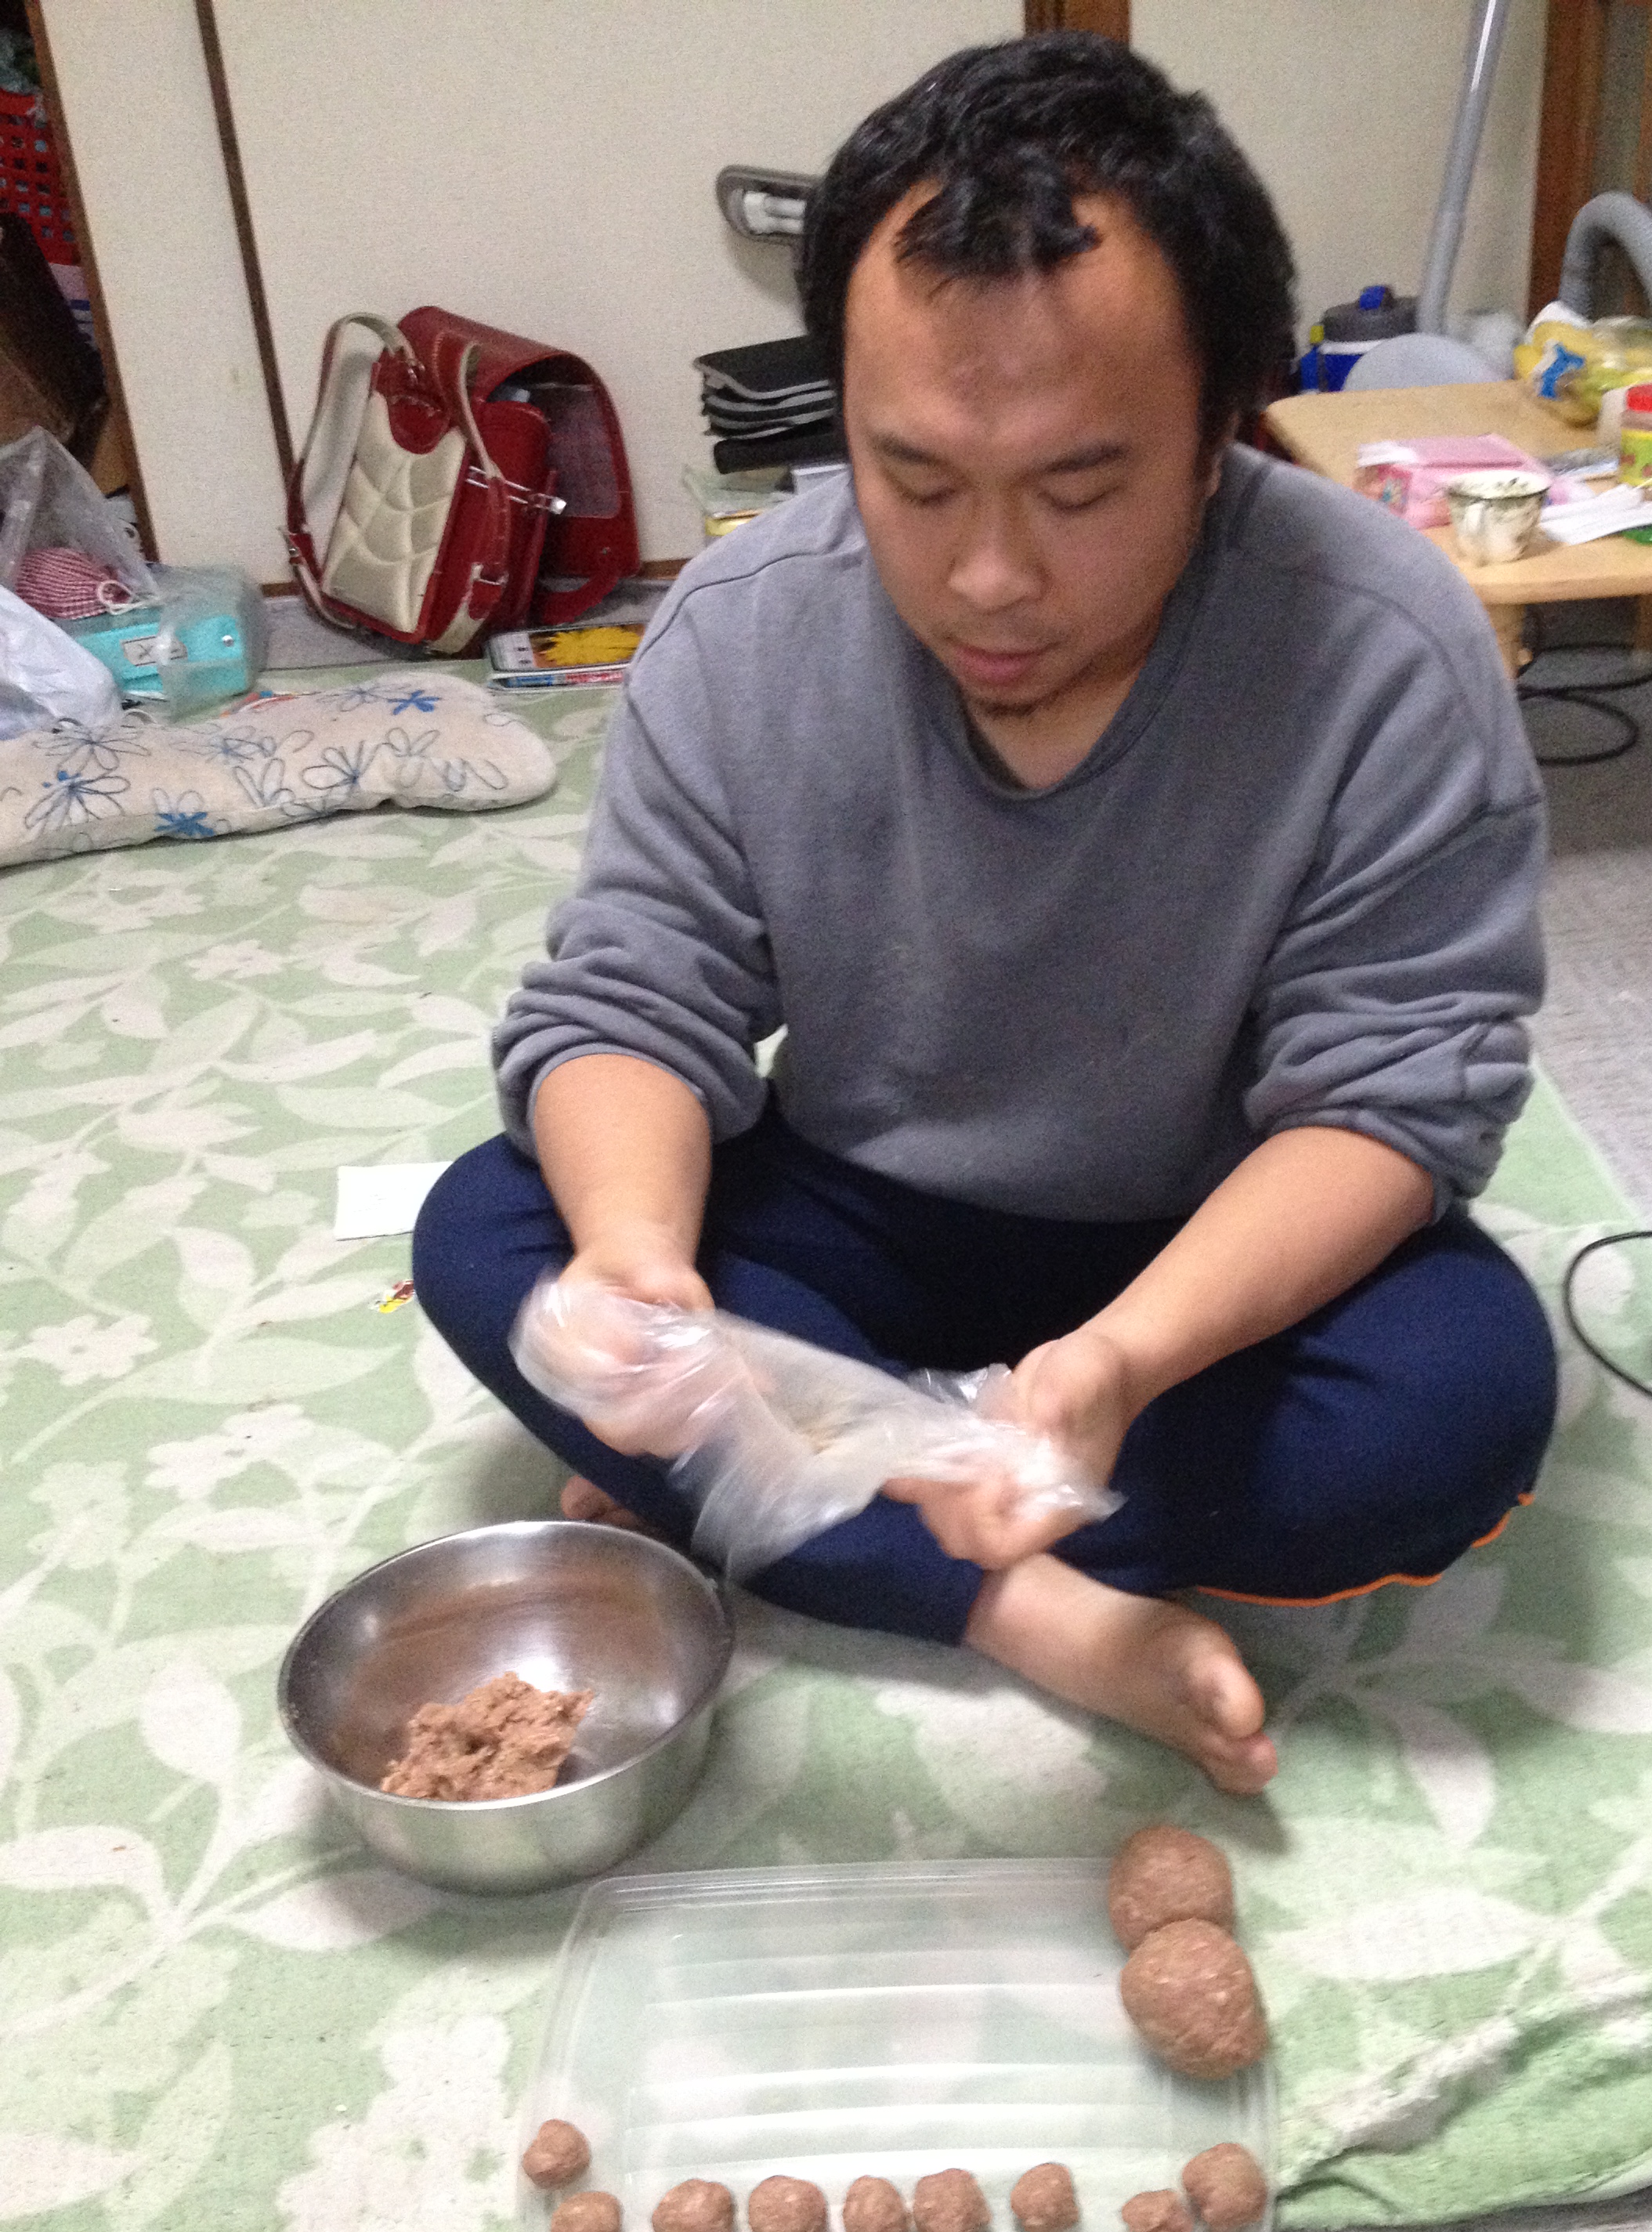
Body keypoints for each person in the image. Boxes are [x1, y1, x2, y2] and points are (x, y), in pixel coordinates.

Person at [414, 31, 1557, 1799]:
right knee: (494, 1231)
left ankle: (791, 1497)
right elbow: (635, 998)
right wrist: (642, 1275)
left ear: (1223, 431)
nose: (990, 577)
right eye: (919, 481)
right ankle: (1025, 1606)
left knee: (1459, 1400)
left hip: (1209, 1248)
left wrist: (1119, 1361)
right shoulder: (743, 626)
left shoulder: (1383, 647)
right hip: (855, 1216)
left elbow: (1394, 1099)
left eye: (1081, 490)